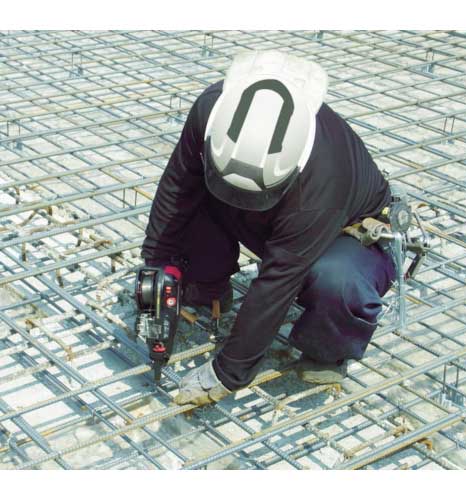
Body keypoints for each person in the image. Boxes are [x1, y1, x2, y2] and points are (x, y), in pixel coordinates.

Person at [141, 50, 396, 406]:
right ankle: (209, 288)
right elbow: (177, 186)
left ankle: (328, 348)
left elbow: (277, 280)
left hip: (344, 236)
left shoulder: (324, 183)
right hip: (278, 211)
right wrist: (156, 264)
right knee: (193, 205)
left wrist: (228, 373)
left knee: (336, 279)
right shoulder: (213, 109)